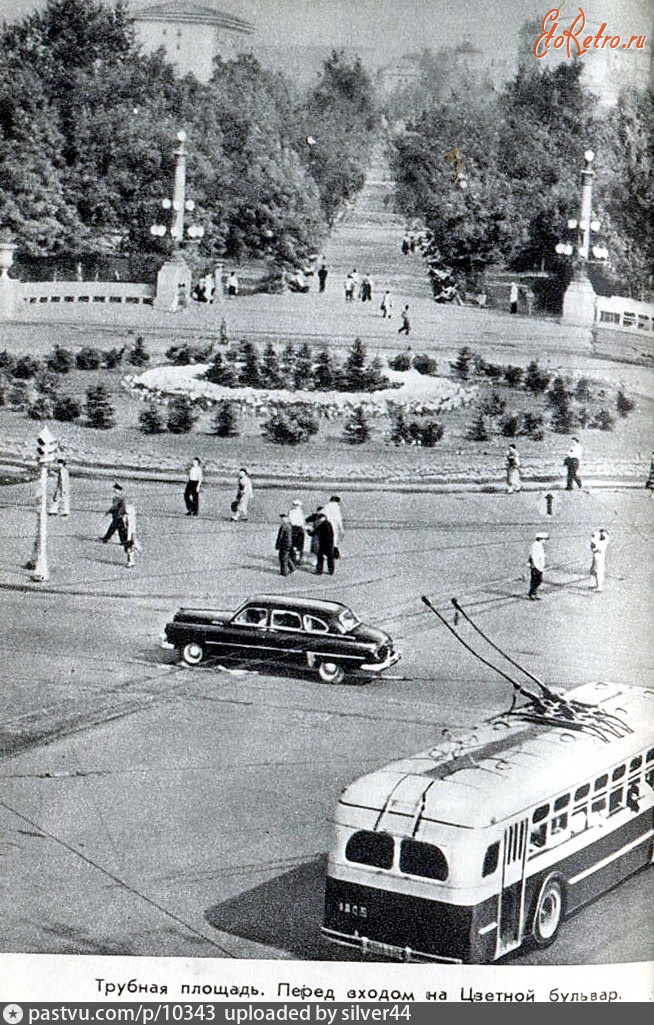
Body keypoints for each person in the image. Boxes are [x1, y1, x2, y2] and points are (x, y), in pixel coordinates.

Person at [101, 483, 128, 548]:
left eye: (115, 489)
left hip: (118, 515)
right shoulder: (121, 496)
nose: (114, 490)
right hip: (119, 515)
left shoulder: (118, 497)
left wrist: (108, 512)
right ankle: (123, 541)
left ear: (118, 490)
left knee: (115, 528)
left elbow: (114, 506)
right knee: (119, 528)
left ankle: (106, 538)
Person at [312, 509, 335, 575]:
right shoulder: (329, 524)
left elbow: (314, 532)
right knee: (330, 558)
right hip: (330, 543)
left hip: (323, 543)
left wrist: (308, 531)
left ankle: (319, 571)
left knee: (320, 558)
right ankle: (331, 571)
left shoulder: (322, 525)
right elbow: (332, 534)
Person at [528, 533, 548, 600]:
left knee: (538, 580)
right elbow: (532, 556)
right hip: (536, 566)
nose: (545, 541)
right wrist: (533, 565)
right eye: (544, 539)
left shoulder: (539, 545)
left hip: (539, 566)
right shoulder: (535, 545)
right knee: (536, 580)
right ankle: (532, 593)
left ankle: (534, 593)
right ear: (540, 539)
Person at [590, 528, 609, 592]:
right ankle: (595, 584)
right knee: (593, 570)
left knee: (598, 571)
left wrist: (594, 537)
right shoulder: (603, 539)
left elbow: (594, 547)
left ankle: (599, 587)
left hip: (598, 556)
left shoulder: (602, 541)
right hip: (597, 556)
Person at [288, 499, 306, 564]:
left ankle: (298, 559)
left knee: (300, 545)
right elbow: (291, 521)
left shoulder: (300, 512)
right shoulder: (291, 512)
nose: (296, 506)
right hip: (294, 529)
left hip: (300, 529)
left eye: (297, 505)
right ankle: (293, 558)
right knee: (293, 544)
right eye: (295, 505)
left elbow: (302, 522)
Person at [124, 502, 139, 568]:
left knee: (129, 548)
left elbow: (130, 527)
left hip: (129, 534)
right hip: (131, 533)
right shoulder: (131, 516)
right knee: (130, 548)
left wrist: (128, 537)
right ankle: (131, 561)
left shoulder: (130, 518)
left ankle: (130, 561)